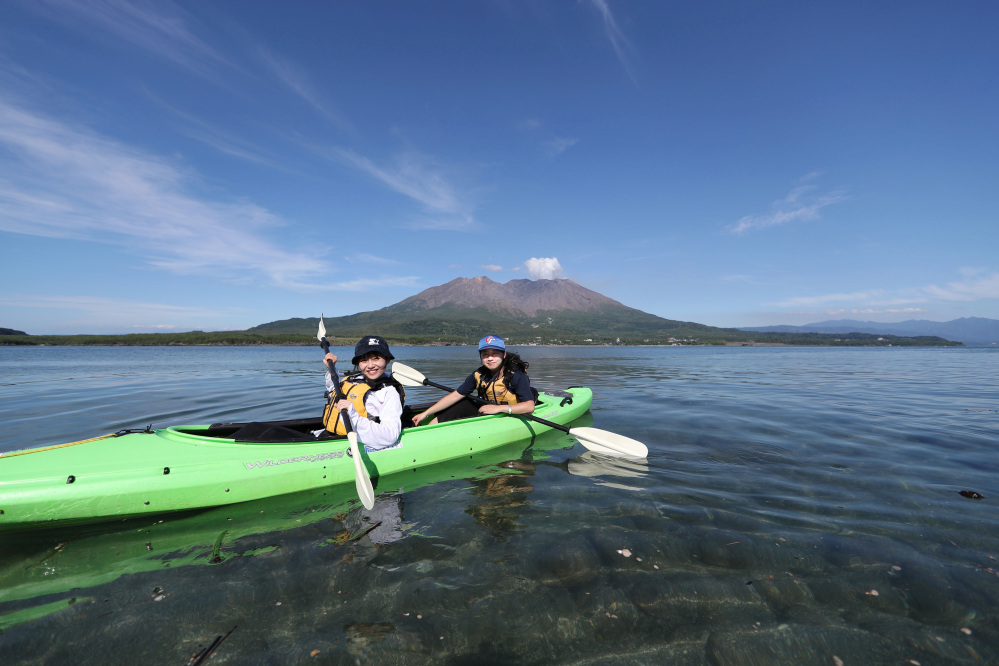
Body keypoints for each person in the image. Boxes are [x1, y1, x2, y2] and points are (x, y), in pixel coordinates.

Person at [411, 334, 535, 426]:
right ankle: (429, 428)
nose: (490, 358)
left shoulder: (516, 375)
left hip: (511, 412)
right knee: (462, 402)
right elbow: (456, 395)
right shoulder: (479, 374)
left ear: (504, 355)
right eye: (485, 354)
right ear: (480, 356)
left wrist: (499, 409)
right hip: (488, 411)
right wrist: (426, 413)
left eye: (495, 353)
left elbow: (529, 406)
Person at [322, 335, 405, 451]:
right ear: (358, 363)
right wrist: (332, 368)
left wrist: (352, 414)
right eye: (364, 360)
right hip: (330, 435)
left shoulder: (389, 392)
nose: (370, 365)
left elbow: (390, 436)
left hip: (357, 441)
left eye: (376, 358)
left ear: (387, 360)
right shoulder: (355, 379)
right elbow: (334, 391)